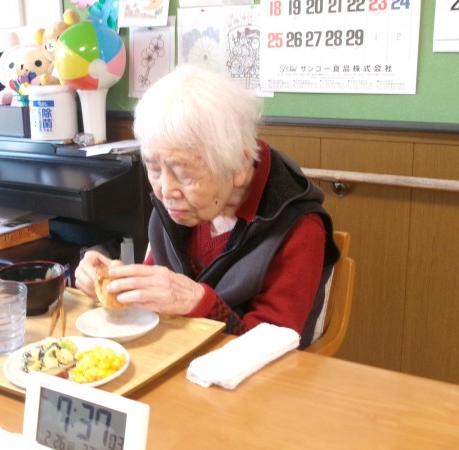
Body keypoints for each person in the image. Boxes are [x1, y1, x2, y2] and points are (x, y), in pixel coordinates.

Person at [74, 64, 340, 348]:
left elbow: (272, 347)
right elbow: (157, 294)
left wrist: (197, 301)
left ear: (239, 165)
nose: (165, 190)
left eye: (184, 174)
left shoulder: (298, 227)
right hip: (179, 353)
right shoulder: (181, 204)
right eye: (154, 168)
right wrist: (118, 283)